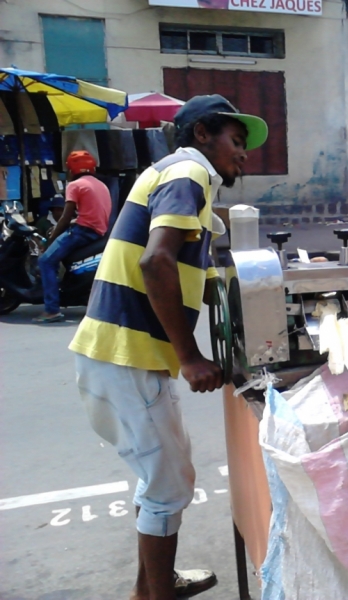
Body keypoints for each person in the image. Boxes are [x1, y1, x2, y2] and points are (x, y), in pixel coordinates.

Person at [69, 94, 268, 600]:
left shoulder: (176, 175)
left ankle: (153, 585)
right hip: (126, 354)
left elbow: (178, 271)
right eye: (236, 140)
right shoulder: (189, 173)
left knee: (160, 477)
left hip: (120, 352)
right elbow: (155, 263)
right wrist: (190, 357)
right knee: (169, 485)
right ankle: (155, 594)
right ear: (202, 133)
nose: (243, 153)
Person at [33, 151, 111, 323]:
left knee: (46, 261)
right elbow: (91, 213)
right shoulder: (101, 185)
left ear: (72, 169)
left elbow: (66, 216)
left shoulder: (75, 186)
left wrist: (51, 239)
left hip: (81, 232)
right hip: (97, 232)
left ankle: (52, 310)